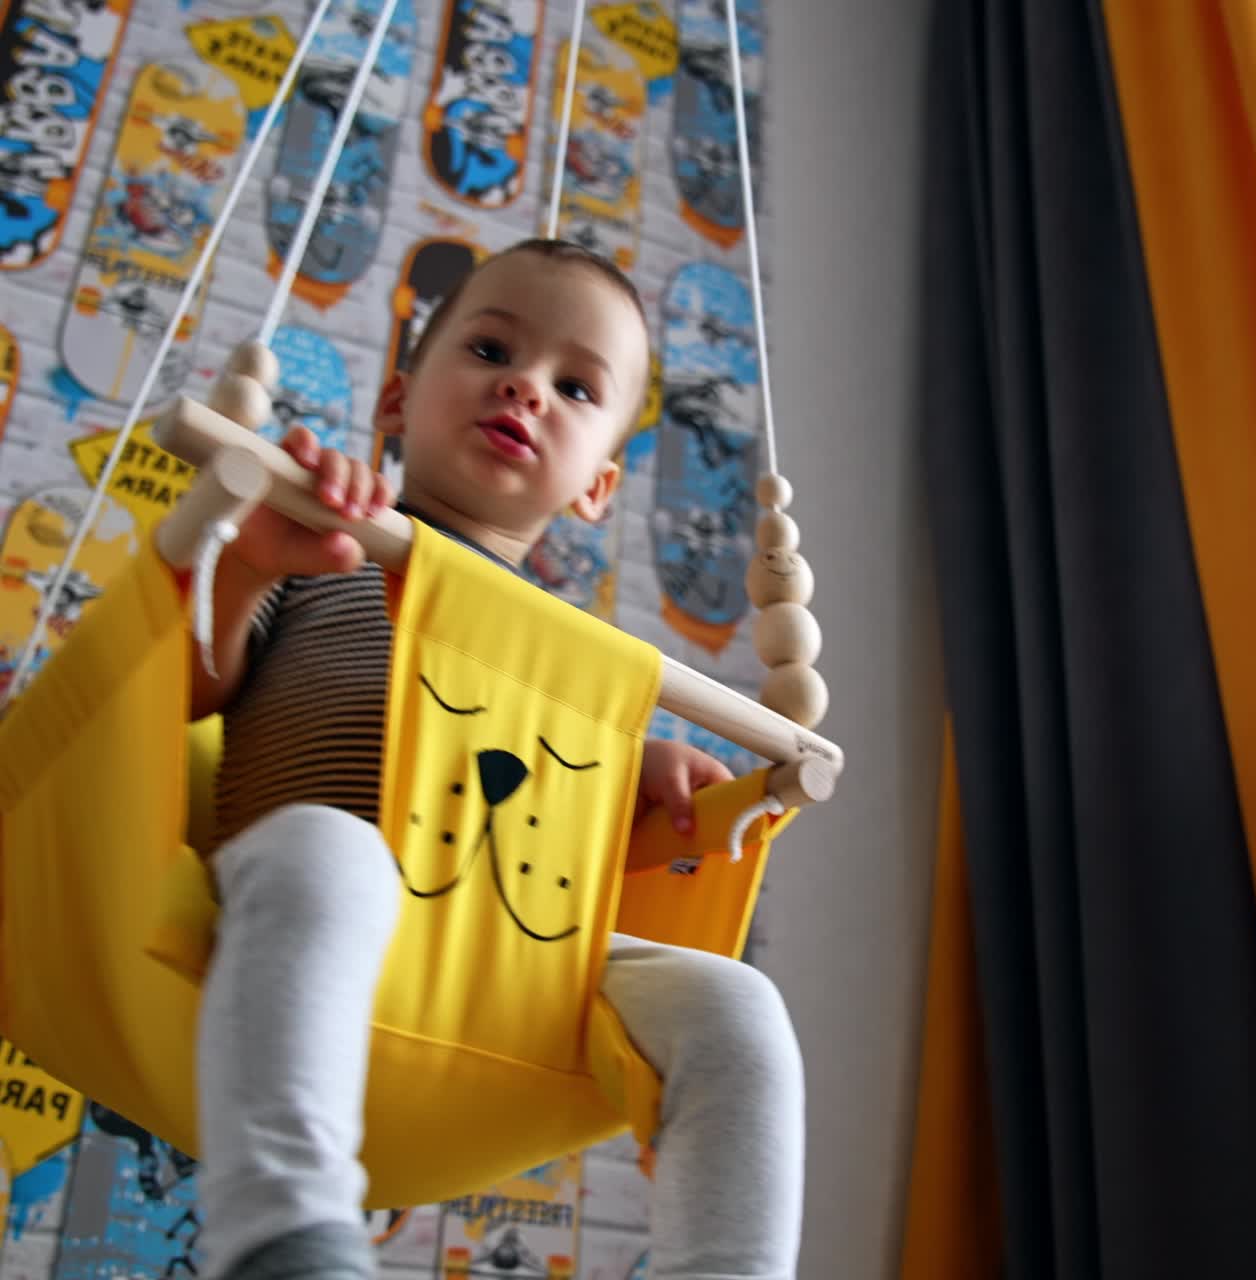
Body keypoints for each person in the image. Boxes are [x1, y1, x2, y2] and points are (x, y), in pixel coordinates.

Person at [191, 239, 805, 1280]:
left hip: (502, 958)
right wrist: (250, 564)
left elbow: (551, 817)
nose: (526, 385)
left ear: (597, 485)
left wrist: (637, 771)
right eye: (488, 348)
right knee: (331, 852)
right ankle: (286, 1240)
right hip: (300, 906)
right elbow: (191, 695)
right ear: (396, 398)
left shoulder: (575, 661)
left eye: (575, 386)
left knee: (739, 1007)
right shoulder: (326, 544)